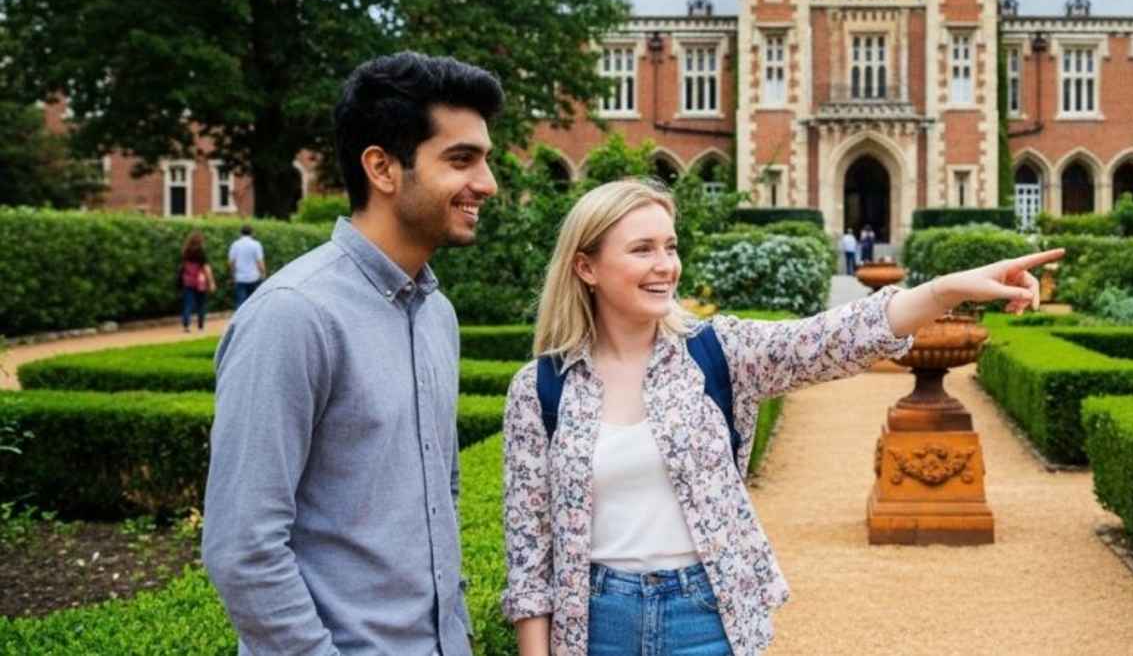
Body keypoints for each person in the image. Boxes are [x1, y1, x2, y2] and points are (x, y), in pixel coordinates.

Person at [501, 178, 1062, 656]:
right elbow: (530, 555)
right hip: (596, 624)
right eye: (642, 249)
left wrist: (945, 290)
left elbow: (828, 340)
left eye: (670, 247)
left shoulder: (717, 351)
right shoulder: (541, 389)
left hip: (706, 615)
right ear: (586, 267)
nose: (665, 266)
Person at [203, 52, 503, 656]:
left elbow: (438, 498)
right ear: (383, 168)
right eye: (461, 159)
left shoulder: (436, 314)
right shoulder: (295, 314)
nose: (488, 183)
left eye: (485, 159)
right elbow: (243, 548)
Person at [178, 231, 216, 332]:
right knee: (201, 304)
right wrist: (211, 282)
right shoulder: (201, 252)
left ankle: (186, 325)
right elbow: (206, 267)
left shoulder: (185, 251)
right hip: (200, 281)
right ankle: (200, 326)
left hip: (188, 280)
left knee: (188, 304)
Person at [226, 224, 266, 310]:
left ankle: (239, 323)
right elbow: (260, 262)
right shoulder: (256, 244)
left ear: (240, 233)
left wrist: (232, 276)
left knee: (240, 303)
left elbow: (231, 262)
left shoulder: (235, 245)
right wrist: (263, 274)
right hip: (254, 277)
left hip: (240, 278)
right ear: (252, 233)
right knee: (253, 303)